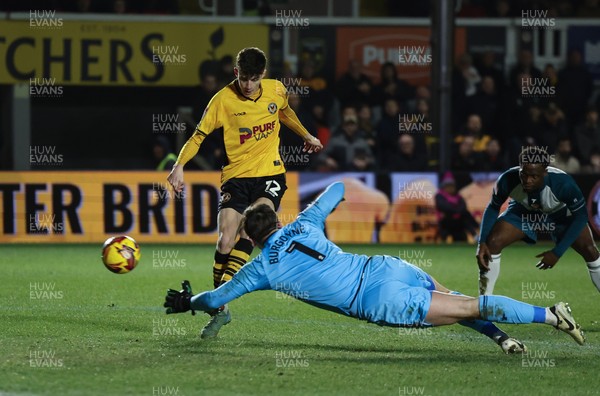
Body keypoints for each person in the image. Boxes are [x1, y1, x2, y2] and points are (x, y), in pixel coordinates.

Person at [164, 182, 586, 353]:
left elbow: (216, 298)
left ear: (249, 239)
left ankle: (550, 315)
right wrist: (299, 206)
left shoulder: (261, 271)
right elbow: (340, 188)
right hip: (386, 267)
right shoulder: (305, 222)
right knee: (458, 302)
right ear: (276, 221)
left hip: (377, 298)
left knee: (468, 307)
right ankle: (503, 340)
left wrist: (188, 303)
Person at [167, 47, 323, 338]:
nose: (248, 85)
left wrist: (306, 135)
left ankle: (217, 300)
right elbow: (198, 136)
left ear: (262, 75)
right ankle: (220, 309)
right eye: (244, 78)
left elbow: (285, 112)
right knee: (225, 239)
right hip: (236, 177)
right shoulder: (222, 100)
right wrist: (178, 166)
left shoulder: (276, 90)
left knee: (255, 225)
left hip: (270, 173)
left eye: (254, 79)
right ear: (236, 72)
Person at [476, 146, 600, 296]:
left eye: (534, 176)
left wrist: (557, 252)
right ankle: (484, 303)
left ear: (545, 172)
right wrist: (481, 242)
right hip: (523, 211)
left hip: (561, 215)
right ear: (519, 169)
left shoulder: (564, 184)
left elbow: (581, 217)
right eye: (524, 174)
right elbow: (493, 207)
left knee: (590, 250)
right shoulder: (507, 179)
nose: (528, 180)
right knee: (492, 242)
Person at [435, 172, 479, 242]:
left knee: (465, 216)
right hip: (446, 222)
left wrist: (456, 211)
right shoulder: (439, 196)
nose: (450, 188)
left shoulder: (458, 197)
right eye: (448, 186)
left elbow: (463, 207)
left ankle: (475, 235)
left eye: (452, 186)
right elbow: (444, 207)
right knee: (464, 215)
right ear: (444, 187)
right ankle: (476, 229)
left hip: (459, 222)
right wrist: (456, 211)